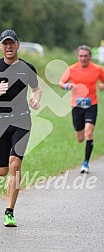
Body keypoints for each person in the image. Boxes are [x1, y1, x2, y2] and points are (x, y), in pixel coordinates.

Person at [0, 29, 42, 227]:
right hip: (1, 122)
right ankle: (8, 197)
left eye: (11, 43)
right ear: (0, 46)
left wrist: (35, 98)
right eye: (4, 43)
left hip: (22, 120)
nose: (8, 47)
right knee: (1, 171)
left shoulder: (27, 67)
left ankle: (9, 212)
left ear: (17, 45)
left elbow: (37, 88)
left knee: (15, 164)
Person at [59, 45, 104, 173]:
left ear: (90, 56)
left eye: (85, 56)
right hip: (77, 106)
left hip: (91, 105)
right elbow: (61, 83)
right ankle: (81, 133)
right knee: (80, 138)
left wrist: (102, 85)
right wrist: (68, 86)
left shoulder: (97, 69)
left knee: (89, 133)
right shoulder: (71, 69)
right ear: (78, 56)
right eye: (81, 56)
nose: (83, 58)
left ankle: (85, 163)